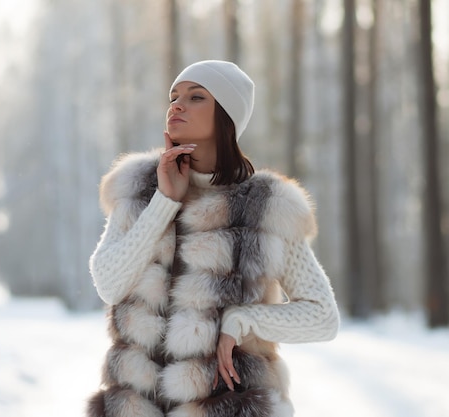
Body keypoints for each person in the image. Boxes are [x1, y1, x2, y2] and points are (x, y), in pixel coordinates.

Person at [86, 60, 339, 417]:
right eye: (174, 96)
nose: (177, 105)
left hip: (228, 407)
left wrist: (243, 321)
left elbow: (322, 317)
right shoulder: (140, 187)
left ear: (226, 115)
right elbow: (109, 283)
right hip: (136, 406)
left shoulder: (267, 207)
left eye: (196, 96)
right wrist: (164, 202)